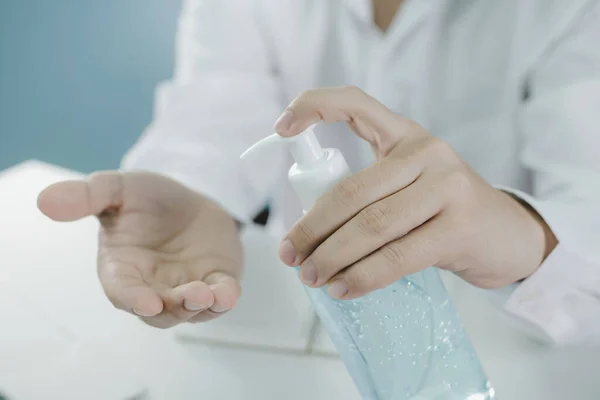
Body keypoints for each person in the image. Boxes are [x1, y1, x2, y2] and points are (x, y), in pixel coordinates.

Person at [37, 0, 600, 344]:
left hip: (511, 336)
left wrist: (523, 232)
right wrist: (189, 189)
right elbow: (215, 109)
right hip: (312, 319)